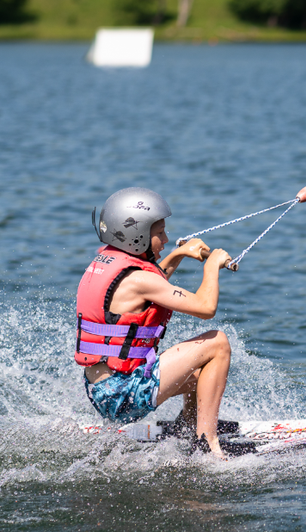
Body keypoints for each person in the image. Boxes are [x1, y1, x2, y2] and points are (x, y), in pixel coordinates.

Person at [75, 187, 241, 459]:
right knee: (218, 343)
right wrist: (211, 267)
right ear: (136, 234)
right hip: (124, 395)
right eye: (159, 232)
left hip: (103, 390)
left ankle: (187, 428)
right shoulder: (139, 279)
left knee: (201, 377)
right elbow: (205, 307)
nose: (166, 239)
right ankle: (207, 443)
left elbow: (151, 284)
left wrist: (179, 254)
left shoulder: (110, 263)